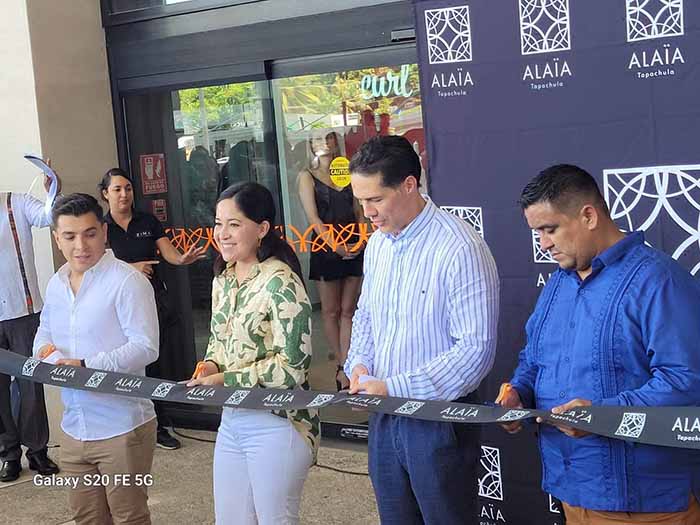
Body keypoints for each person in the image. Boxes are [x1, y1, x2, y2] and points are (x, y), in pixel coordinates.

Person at [499, 164, 700, 524]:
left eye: (550, 229)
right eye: (537, 233)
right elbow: (534, 358)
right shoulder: (558, 284)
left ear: (589, 216)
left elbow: (686, 380)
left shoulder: (659, 280)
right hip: (570, 492)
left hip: (646, 504)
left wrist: (601, 415)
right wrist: (519, 393)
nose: (544, 244)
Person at [344, 136, 500, 524]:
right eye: (361, 201)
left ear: (409, 185)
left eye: (375, 199)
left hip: (439, 420)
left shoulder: (459, 247)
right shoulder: (378, 245)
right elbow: (366, 316)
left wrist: (395, 388)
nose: (367, 212)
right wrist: (359, 366)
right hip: (383, 414)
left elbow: (475, 351)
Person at [187, 182, 319, 525]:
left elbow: (293, 368)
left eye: (234, 224)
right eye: (218, 223)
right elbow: (218, 340)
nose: (222, 234)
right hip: (232, 418)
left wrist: (226, 379)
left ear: (262, 229)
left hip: (277, 421)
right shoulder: (223, 277)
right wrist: (210, 365)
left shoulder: (281, 281)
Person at [34, 193, 159, 524]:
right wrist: (56, 361)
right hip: (74, 428)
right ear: (56, 238)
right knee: (87, 518)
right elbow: (42, 337)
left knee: (129, 518)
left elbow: (146, 347)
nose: (81, 246)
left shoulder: (127, 281)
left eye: (89, 234)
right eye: (70, 236)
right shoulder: (56, 284)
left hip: (123, 428)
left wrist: (86, 367)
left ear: (104, 231)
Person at [99, 168, 206, 450]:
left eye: (128, 188)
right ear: (105, 194)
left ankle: (158, 423)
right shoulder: (101, 227)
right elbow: (96, 267)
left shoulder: (147, 221)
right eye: (117, 189)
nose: (124, 194)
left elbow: (169, 253)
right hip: (117, 306)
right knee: (128, 363)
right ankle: (135, 424)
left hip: (151, 300)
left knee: (155, 362)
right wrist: (132, 268)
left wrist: (182, 259)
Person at [0, 169, 61, 482]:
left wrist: (53, 189)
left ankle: (37, 450)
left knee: (31, 385)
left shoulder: (17, 203)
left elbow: (49, 216)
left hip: (24, 313)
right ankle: (8, 453)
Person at [297, 131, 363, 390]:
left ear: (336, 141)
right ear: (310, 144)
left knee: (349, 309)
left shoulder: (346, 171)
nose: (323, 142)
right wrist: (335, 246)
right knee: (331, 310)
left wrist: (360, 240)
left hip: (354, 242)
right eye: (317, 138)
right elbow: (313, 218)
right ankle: (341, 365)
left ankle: (349, 363)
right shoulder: (306, 176)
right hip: (326, 246)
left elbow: (359, 211)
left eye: (328, 137)